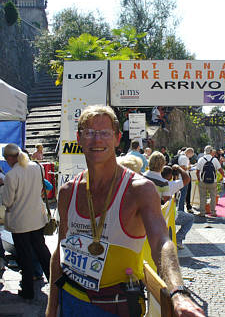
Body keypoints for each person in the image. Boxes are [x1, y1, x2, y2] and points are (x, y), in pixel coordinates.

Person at [46, 105, 205, 317]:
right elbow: (59, 250)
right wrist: (51, 306)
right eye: (89, 133)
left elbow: (161, 241)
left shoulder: (139, 189)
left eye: (104, 133)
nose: (97, 140)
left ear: (117, 138)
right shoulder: (68, 191)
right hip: (71, 300)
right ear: (79, 138)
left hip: (116, 305)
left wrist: (178, 292)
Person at [1, 143, 51, 300]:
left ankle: (28, 290)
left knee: (25, 255)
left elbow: (8, 202)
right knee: (42, 250)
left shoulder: (11, 175)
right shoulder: (37, 167)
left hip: (20, 221)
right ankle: (56, 283)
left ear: (9, 158)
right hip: (37, 217)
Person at [161, 165, 193, 250]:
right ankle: (178, 239)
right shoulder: (171, 185)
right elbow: (186, 179)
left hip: (157, 214)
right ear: (170, 175)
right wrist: (179, 168)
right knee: (190, 218)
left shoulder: (155, 182)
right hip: (171, 215)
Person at [196, 145, 225, 217]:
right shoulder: (214, 160)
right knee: (213, 197)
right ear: (211, 151)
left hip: (203, 181)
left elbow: (197, 171)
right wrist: (222, 177)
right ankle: (213, 212)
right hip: (213, 181)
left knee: (202, 197)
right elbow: (220, 170)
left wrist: (199, 179)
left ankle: (202, 212)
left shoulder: (201, 159)